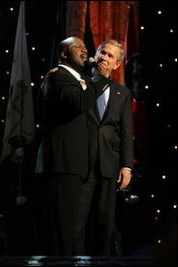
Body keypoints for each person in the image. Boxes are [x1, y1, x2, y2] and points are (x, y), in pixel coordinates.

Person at [41, 37, 111, 256]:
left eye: (85, 47)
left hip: (77, 163)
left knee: (71, 224)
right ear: (63, 54)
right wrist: (101, 77)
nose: (84, 50)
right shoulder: (59, 76)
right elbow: (80, 103)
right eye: (77, 46)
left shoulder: (80, 78)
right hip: (64, 162)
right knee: (63, 225)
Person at [76, 39, 134, 256]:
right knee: (77, 222)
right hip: (82, 162)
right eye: (102, 53)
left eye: (110, 56)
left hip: (109, 165)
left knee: (105, 222)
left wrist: (127, 166)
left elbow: (126, 133)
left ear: (117, 65)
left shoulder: (122, 93)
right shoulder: (80, 82)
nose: (104, 58)